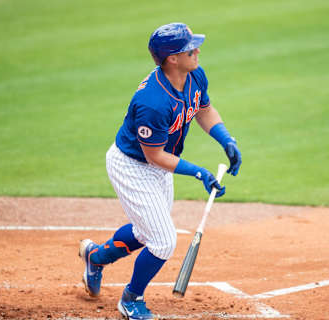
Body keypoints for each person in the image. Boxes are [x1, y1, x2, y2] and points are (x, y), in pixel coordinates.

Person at [79, 22, 242, 320]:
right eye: (189, 48)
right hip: (133, 167)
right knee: (163, 240)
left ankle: (96, 257)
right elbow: (153, 155)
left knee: (146, 232)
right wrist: (198, 172)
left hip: (159, 165)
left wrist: (226, 139)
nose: (197, 50)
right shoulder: (152, 102)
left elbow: (203, 110)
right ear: (172, 58)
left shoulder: (194, 75)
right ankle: (131, 298)